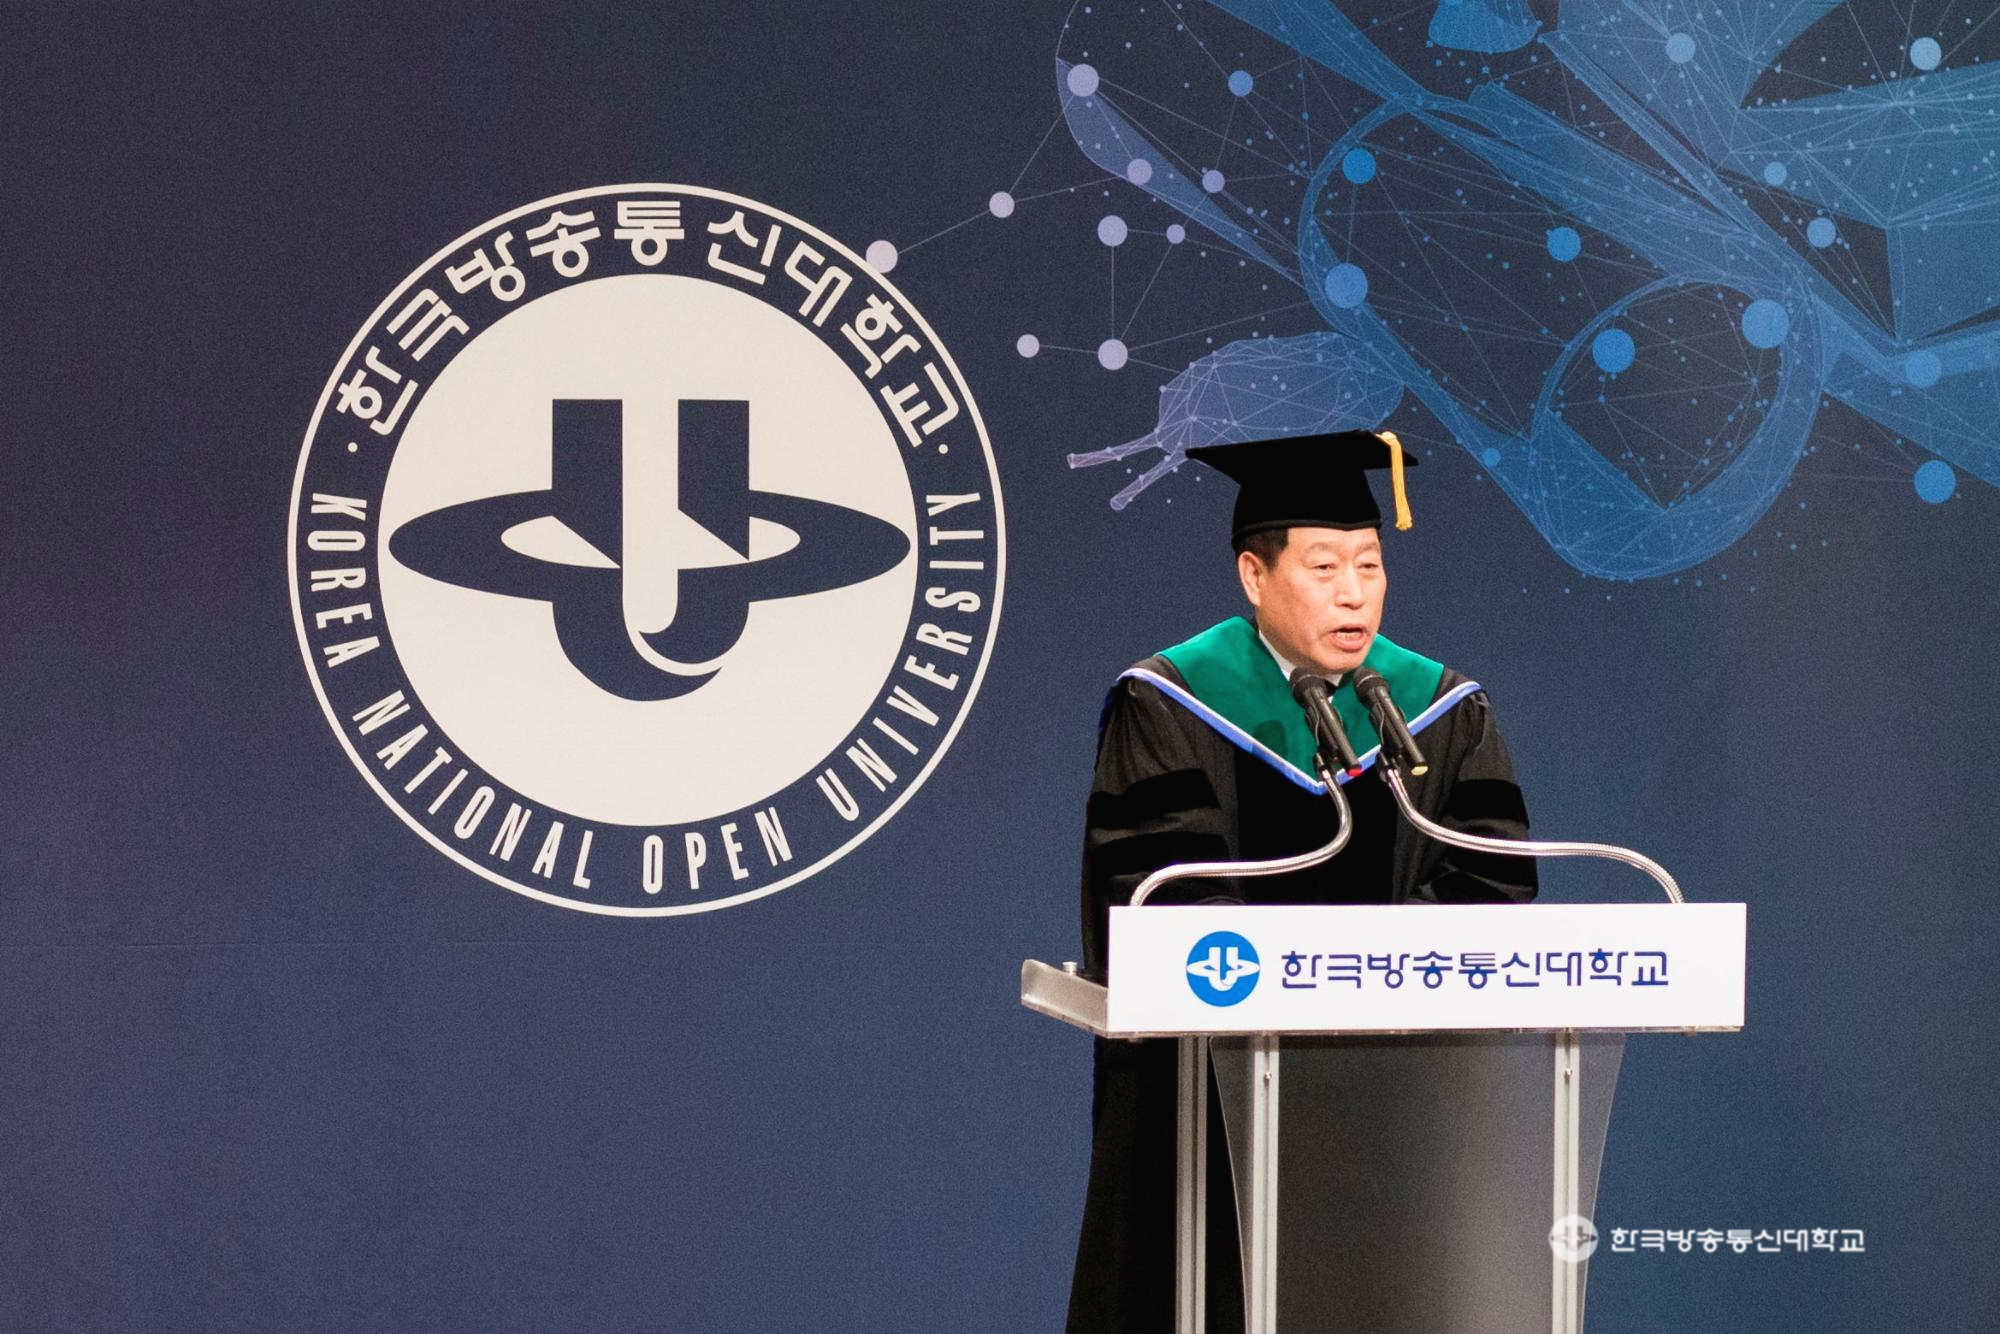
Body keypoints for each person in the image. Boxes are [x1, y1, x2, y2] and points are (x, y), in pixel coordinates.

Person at [1063, 430, 1538, 1334]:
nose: (1354, 592)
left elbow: (1493, 886)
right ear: (1254, 576)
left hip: (1392, 1109)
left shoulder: (1438, 709)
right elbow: (1157, 897)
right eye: (1324, 567)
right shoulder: (1171, 702)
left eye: (1369, 565)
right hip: (1206, 1114)